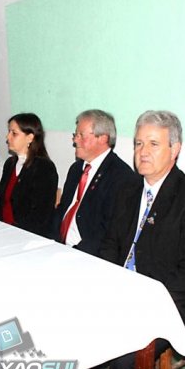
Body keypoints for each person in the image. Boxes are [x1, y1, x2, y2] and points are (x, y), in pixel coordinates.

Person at [85, 110, 185, 369]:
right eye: (138, 143)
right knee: (77, 327)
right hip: (124, 290)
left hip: (176, 303)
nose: (143, 151)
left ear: (175, 149)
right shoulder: (127, 190)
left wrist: (140, 302)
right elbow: (111, 245)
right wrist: (108, 284)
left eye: (153, 144)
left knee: (127, 357)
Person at [53, 109, 137, 258]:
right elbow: (62, 210)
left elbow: (107, 233)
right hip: (59, 248)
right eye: (75, 135)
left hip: (86, 256)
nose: (75, 140)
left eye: (81, 135)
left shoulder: (121, 177)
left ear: (103, 138)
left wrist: (71, 254)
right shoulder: (76, 169)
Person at [0, 113, 58, 238]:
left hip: (27, 236)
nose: (7, 137)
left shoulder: (44, 168)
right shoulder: (10, 163)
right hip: (3, 230)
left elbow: (40, 215)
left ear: (30, 138)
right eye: (9, 132)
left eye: (14, 133)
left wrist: (12, 233)